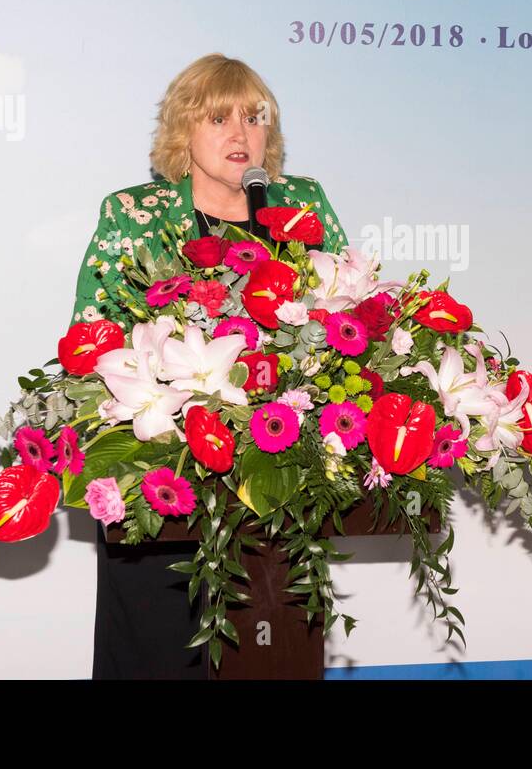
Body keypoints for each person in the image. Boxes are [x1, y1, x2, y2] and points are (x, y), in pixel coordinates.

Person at [70, 53, 348, 678]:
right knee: (159, 654)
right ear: (183, 131)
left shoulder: (299, 207)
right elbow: (91, 342)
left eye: (255, 118)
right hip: (162, 474)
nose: (240, 133)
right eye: (218, 118)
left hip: (279, 478)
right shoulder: (133, 214)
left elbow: (344, 317)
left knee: (269, 646)